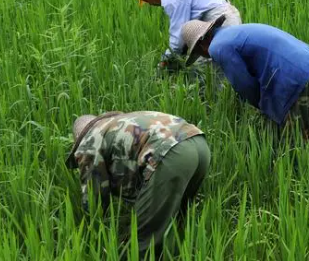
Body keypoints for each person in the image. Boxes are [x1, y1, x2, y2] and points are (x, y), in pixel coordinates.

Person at [66, 111, 210, 259]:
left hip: (171, 153)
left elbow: (93, 198)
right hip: (199, 144)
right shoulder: (119, 123)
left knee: (141, 242)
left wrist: (90, 234)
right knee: (174, 223)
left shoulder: (89, 141)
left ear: (79, 138)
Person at [180, 16, 309, 140]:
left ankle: (296, 170)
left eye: (199, 53)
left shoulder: (217, 47)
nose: (205, 57)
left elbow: (244, 85)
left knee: (294, 140)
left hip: (294, 77)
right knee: (307, 131)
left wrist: (262, 108)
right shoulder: (232, 33)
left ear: (201, 45)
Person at [127, 0, 242, 74]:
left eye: (147, 1)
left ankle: (214, 95)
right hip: (223, 18)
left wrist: (163, 63)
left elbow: (178, 40)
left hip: (222, 22)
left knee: (202, 68)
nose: (151, 4)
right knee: (218, 65)